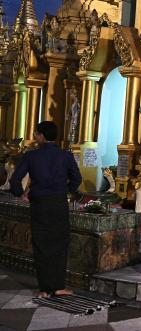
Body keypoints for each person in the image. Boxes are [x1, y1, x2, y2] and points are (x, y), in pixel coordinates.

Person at [9, 121, 82, 298]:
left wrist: (20, 194)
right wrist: (70, 191)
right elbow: (77, 178)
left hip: (39, 203)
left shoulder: (31, 156)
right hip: (58, 203)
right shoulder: (65, 155)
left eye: (36, 133)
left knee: (41, 245)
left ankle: (44, 289)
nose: (35, 136)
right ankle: (58, 286)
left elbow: (15, 180)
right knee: (59, 244)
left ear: (41, 136)